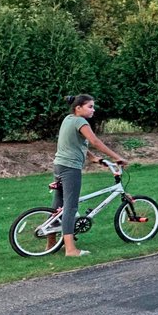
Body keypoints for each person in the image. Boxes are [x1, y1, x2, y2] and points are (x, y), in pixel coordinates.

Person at [51, 95, 128, 257]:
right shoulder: (81, 122)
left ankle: (50, 245)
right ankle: (71, 250)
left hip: (59, 165)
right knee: (70, 208)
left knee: (58, 206)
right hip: (70, 168)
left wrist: (92, 157)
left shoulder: (68, 119)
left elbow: (75, 143)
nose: (93, 110)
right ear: (78, 108)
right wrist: (116, 157)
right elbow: (95, 141)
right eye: (90, 107)